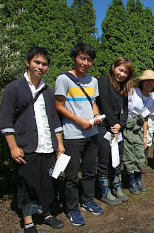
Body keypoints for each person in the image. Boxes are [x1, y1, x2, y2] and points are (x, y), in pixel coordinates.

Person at [0, 47, 65, 233]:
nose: (40, 67)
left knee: (48, 183)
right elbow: (5, 121)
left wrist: (59, 144)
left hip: (48, 146)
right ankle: (28, 221)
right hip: (26, 146)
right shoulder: (13, 88)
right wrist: (13, 146)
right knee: (27, 185)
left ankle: (46, 213)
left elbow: (54, 120)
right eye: (37, 62)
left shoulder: (48, 91)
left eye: (44, 64)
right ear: (28, 62)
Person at [55, 42, 104, 226]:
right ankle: (72, 209)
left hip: (92, 133)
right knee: (72, 175)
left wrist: (96, 115)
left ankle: (88, 200)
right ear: (75, 58)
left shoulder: (93, 81)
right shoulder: (64, 79)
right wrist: (79, 120)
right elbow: (58, 106)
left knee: (91, 170)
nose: (85, 62)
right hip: (72, 135)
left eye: (89, 59)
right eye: (82, 58)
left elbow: (92, 104)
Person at [96, 57, 135, 205]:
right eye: (120, 70)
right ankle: (105, 192)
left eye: (126, 72)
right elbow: (104, 104)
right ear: (114, 67)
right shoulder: (104, 81)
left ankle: (117, 187)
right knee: (105, 159)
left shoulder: (123, 86)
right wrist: (113, 126)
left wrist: (120, 125)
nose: (122, 74)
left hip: (118, 127)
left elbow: (125, 109)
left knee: (117, 158)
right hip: (105, 125)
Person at [124, 70, 154, 194]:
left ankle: (138, 180)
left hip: (139, 130)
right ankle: (131, 182)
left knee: (140, 155)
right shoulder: (132, 92)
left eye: (152, 81)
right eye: (146, 80)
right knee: (129, 155)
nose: (149, 83)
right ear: (141, 82)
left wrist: (145, 137)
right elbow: (123, 109)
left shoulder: (150, 101)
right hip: (127, 128)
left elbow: (146, 119)